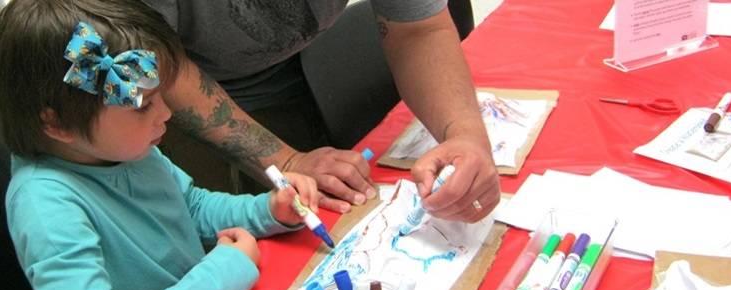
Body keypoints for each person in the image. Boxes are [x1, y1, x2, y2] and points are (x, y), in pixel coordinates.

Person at [0, 0, 320, 290]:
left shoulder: (125, 151)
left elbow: (192, 208)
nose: (167, 114)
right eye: (143, 105)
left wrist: (270, 210)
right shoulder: (46, 206)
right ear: (57, 124)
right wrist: (222, 275)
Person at [144, 0, 501, 223]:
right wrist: (285, 162)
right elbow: (158, 61)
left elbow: (419, 30)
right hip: (160, 93)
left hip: (294, 68)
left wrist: (465, 134)